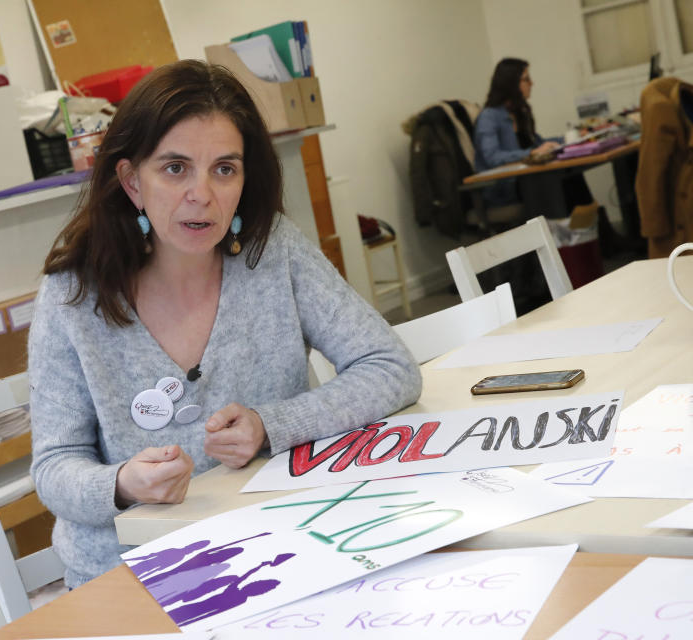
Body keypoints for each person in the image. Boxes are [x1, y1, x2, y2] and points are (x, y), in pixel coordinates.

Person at [29, 60, 422, 588]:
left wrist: (270, 426)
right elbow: (55, 468)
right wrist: (123, 484)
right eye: (175, 168)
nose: (203, 194)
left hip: (283, 545)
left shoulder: (272, 249)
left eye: (224, 168)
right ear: (131, 181)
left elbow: (389, 367)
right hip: (133, 575)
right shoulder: (72, 296)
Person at [473, 58, 592, 211]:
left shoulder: (519, 112)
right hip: (505, 186)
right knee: (558, 181)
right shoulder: (489, 117)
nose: (532, 83)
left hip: (528, 177)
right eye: (526, 79)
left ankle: (591, 228)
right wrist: (531, 153)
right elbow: (493, 157)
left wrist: (571, 138)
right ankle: (571, 230)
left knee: (572, 174)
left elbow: (538, 144)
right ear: (510, 83)